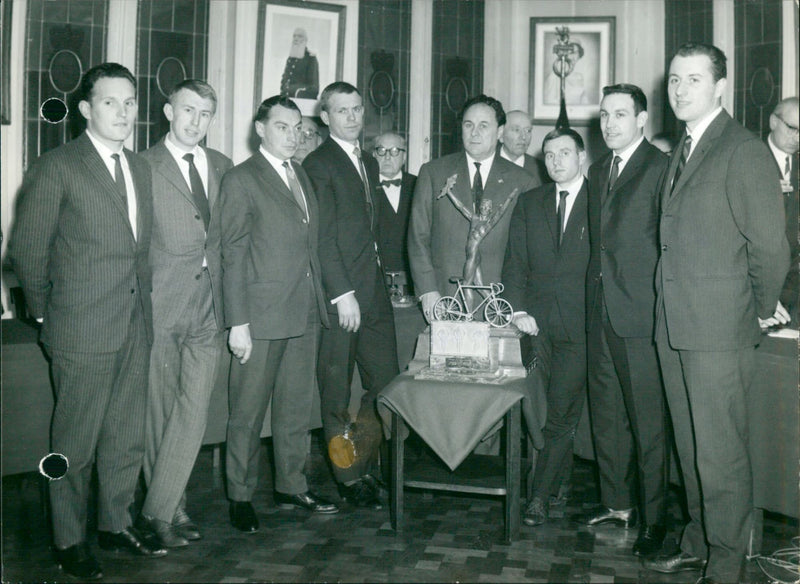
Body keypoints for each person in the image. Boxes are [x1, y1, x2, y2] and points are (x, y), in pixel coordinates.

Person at [9, 62, 164, 580]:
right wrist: (48, 311)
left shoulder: (140, 167)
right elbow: (28, 250)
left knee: (125, 436)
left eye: (129, 102)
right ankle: (68, 539)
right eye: (109, 102)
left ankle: (113, 524)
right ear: (85, 109)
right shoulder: (57, 166)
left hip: (133, 326)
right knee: (74, 442)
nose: (122, 112)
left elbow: (140, 252)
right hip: (81, 329)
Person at [643, 43, 789, 583]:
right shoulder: (684, 146)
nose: (680, 89)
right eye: (675, 79)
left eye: (694, 79)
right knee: (691, 448)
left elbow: (771, 249)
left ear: (720, 86)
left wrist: (750, 314)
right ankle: (700, 540)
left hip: (719, 329)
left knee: (721, 455)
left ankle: (727, 565)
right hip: (675, 327)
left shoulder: (742, 149)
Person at [220, 96, 338, 532]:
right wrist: (238, 323)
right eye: (283, 127)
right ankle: (240, 495)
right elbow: (231, 254)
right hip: (261, 316)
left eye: (297, 128)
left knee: (294, 409)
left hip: (305, 311)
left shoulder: (300, 174)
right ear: (261, 129)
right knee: (247, 413)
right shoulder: (241, 179)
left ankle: (291, 484)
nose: (293, 136)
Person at [136, 79, 233, 547]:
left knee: (193, 409)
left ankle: (160, 506)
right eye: (188, 111)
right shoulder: (142, 166)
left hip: (209, 305)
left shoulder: (222, 166)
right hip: (160, 303)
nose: (196, 122)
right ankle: (168, 510)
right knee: (158, 410)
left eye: (206, 114)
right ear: (168, 112)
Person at [579, 84, 670, 557]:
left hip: (640, 318)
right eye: (604, 115)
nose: (610, 124)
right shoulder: (597, 170)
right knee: (609, 416)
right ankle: (617, 504)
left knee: (648, 424)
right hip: (601, 313)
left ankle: (656, 520)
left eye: (620, 114)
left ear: (641, 119)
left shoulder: (661, 168)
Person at [303, 82, 398, 509]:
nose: (353, 117)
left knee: (386, 385)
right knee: (336, 394)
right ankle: (346, 479)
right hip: (342, 298)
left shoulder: (369, 163)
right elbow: (321, 240)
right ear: (326, 117)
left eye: (357, 109)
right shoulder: (319, 164)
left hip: (375, 294)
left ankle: (358, 463)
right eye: (342, 111)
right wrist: (342, 293)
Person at [502, 127, 589, 528]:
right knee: (547, 411)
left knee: (560, 411)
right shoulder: (530, 202)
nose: (556, 161)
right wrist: (517, 310)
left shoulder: (601, 201)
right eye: (550, 155)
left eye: (564, 154)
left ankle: (537, 495)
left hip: (582, 327)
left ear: (581, 157)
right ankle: (562, 480)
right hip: (536, 326)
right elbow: (515, 262)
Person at [408, 94, 537, 323]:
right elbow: (418, 237)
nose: (474, 132)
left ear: (499, 133)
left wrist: (518, 307)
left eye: (483, 125)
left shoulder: (523, 181)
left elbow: (528, 252)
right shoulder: (433, 173)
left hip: (499, 303)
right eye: (468, 125)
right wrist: (427, 290)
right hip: (445, 301)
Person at [767, 96, 799, 325]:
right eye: (792, 128)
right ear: (773, 122)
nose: (797, 138)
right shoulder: (746, 157)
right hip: (763, 280)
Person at [372, 132, 416, 290]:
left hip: (412, 277)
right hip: (376, 278)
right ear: (374, 155)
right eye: (382, 151)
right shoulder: (363, 187)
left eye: (395, 151)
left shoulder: (419, 184)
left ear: (404, 157)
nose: (388, 157)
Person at [498, 110, 545, 184]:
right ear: (500, 134)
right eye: (516, 130)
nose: (523, 137)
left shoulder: (541, 170)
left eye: (528, 131)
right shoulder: (487, 162)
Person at [280, 28, 319, 99]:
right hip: (286, 98)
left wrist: (298, 93)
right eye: (294, 36)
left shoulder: (310, 58)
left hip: (301, 99)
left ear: (305, 40)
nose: (296, 39)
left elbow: (314, 87)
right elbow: (285, 79)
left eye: (299, 36)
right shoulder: (290, 58)